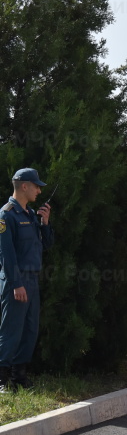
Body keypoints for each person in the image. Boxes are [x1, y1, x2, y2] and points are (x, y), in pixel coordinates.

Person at [0, 168, 54, 392]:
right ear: (24, 185)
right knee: (11, 329)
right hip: (17, 281)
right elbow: (6, 254)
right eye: (36, 186)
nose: (39, 190)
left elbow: (47, 246)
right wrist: (16, 284)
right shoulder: (7, 214)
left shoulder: (31, 214)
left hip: (32, 280)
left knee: (30, 330)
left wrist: (45, 223)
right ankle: (2, 379)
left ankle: (19, 376)